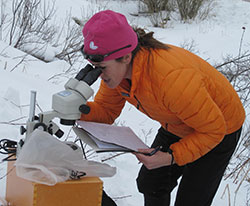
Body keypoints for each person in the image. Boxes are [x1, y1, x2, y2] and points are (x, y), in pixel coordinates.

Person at [80, 10, 245, 206]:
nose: (99, 75)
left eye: (102, 67)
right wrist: (77, 109)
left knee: (192, 200)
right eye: (94, 67)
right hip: (178, 121)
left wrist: (171, 157)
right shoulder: (116, 74)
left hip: (219, 127)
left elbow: (213, 129)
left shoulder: (171, 79)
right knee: (151, 183)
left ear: (125, 57)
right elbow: (106, 111)